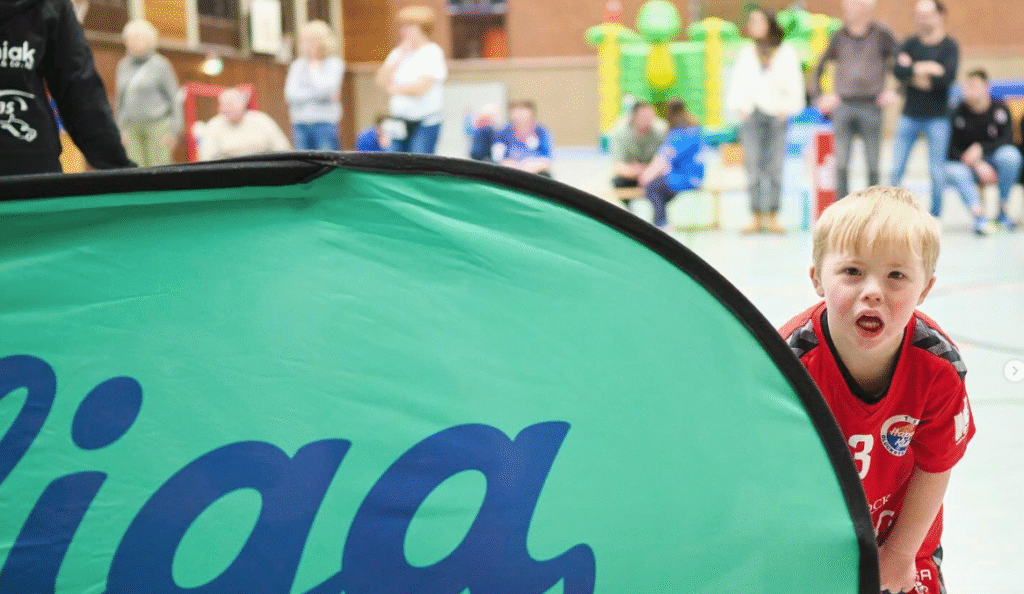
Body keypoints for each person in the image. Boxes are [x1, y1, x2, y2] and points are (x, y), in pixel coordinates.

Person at [780, 187, 974, 594]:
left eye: (896, 276)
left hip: (903, 538)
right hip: (811, 545)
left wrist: (901, 554)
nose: (873, 290)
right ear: (817, 278)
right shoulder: (788, 365)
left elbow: (935, 465)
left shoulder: (939, 367)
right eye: (853, 271)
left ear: (924, 290)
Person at [0, 0, 132, 175]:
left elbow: (78, 88)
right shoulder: (51, 5)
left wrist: (116, 167)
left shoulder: (51, 6)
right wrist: (116, 166)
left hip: (31, 163)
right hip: (32, 160)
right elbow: (79, 88)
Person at [726, 5, 805, 234]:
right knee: (752, 167)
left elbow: (795, 84)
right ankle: (755, 215)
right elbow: (737, 83)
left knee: (775, 167)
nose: (753, 26)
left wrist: (787, 109)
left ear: (769, 24)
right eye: (751, 22)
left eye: (758, 21)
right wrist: (740, 108)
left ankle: (772, 215)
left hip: (777, 116)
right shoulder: (746, 52)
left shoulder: (786, 52)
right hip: (751, 115)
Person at [812, 0, 899, 200]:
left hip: (871, 105)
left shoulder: (881, 34)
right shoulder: (839, 35)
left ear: (865, 7)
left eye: (851, 3)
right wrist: (819, 97)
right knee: (841, 164)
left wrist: (897, 91)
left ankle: (873, 208)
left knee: (873, 165)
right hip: (843, 105)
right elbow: (819, 67)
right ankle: (842, 208)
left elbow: (903, 63)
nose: (846, 7)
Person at [890, 0, 959, 218]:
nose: (922, 20)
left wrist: (912, 70)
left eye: (927, 15)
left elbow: (945, 80)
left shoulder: (949, 46)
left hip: (938, 117)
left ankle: (934, 217)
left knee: (937, 172)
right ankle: (891, 214)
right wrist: (928, 68)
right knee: (895, 169)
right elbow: (898, 72)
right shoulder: (909, 44)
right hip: (909, 115)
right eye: (918, 15)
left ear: (939, 16)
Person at [945, 69, 1021, 233]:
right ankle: (980, 217)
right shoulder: (957, 112)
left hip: (994, 163)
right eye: (966, 86)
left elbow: (1007, 139)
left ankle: (1002, 211)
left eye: (973, 86)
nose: (968, 90)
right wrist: (976, 164)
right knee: (953, 171)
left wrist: (981, 149)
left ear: (986, 88)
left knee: (1011, 155)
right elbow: (950, 150)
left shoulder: (1000, 109)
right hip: (967, 165)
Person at [375, 5, 447, 154]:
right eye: (403, 26)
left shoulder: (432, 52)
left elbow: (421, 88)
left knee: (418, 160)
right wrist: (399, 58)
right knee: (394, 160)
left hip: (425, 122)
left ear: (422, 28)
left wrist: (393, 89)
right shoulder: (398, 52)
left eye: (409, 26)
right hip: (399, 121)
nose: (404, 31)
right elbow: (380, 81)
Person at [116, 19, 182, 167]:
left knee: (159, 170)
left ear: (149, 40)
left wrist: (174, 131)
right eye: (128, 39)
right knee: (134, 170)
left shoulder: (161, 65)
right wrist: (120, 129)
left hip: (158, 127)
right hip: (131, 128)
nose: (131, 43)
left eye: (136, 38)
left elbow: (174, 99)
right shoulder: (123, 66)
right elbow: (120, 100)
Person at [638, 99, 704, 230]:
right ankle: (660, 221)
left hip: (683, 179)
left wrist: (645, 176)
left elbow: (662, 158)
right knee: (660, 185)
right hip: (697, 176)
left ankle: (661, 224)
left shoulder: (678, 133)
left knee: (652, 187)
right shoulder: (695, 129)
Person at [284, 20, 344, 151]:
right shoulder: (297, 65)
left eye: (310, 40)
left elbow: (326, 90)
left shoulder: (334, 64)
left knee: (326, 159)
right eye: (303, 40)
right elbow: (291, 95)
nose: (305, 45)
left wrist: (314, 67)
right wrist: (321, 96)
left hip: (325, 123)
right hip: (299, 124)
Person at [197, 88, 290, 161]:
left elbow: (283, 149)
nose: (225, 108)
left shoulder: (261, 120)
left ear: (243, 104)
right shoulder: (214, 125)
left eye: (230, 104)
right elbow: (206, 158)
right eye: (222, 104)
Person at [609, 100, 668, 199]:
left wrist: (648, 171)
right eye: (644, 117)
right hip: (630, 177)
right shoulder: (621, 134)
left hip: (654, 176)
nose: (648, 120)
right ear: (634, 117)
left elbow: (666, 164)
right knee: (618, 182)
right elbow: (618, 167)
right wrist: (639, 171)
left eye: (651, 117)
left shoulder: (661, 132)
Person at [492, 100, 553, 177]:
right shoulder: (503, 131)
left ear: (531, 113)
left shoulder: (541, 131)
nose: (520, 115)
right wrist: (511, 166)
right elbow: (498, 156)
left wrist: (529, 167)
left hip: (536, 170)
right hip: (511, 171)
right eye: (516, 111)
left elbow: (547, 158)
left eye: (523, 111)